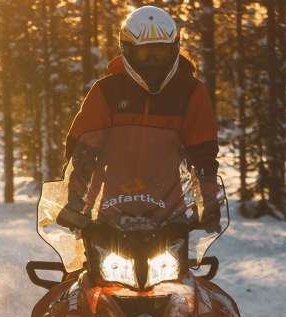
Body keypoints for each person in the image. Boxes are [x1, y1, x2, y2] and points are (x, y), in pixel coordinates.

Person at [56, 4, 221, 231]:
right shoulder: (107, 91)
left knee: (180, 266)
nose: (152, 61)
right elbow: (82, 150)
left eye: (160, 53)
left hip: (170, 211)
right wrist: (74, 202)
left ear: (174, 50)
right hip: (111, 207)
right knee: (94, 264)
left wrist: (208, 203)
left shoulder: (190, 92)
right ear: (128, 51)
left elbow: (204, 154)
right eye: (145, 53)